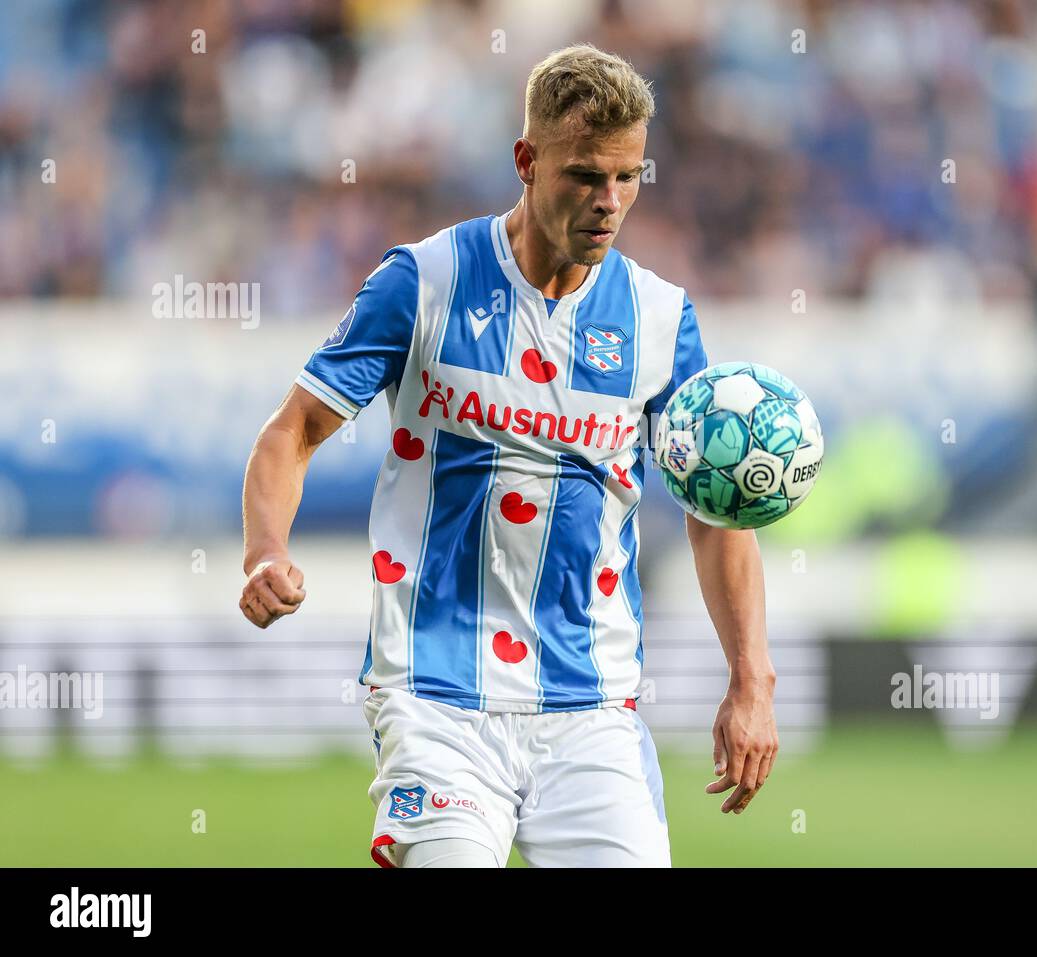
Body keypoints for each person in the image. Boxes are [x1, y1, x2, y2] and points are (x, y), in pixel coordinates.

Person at [239, 43, 777, 867]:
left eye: (629, 177)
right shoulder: (422, 281)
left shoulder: (662, 321)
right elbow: (293, 431)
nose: (610, 201)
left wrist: (751, 676)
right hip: (433, 693)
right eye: (585, 175)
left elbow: (712, 513)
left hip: (593, 703)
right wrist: (265, 551)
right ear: (526, 160)